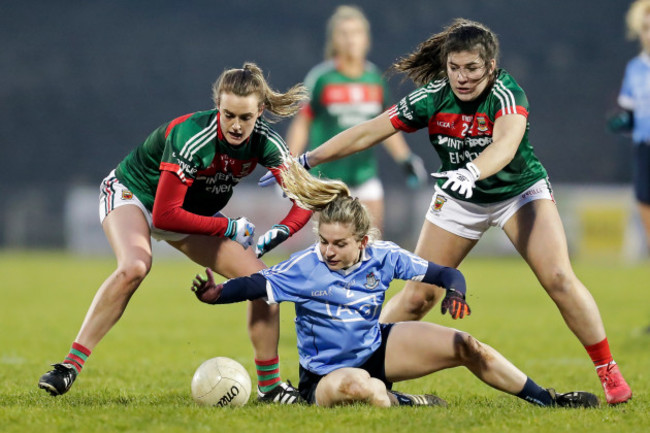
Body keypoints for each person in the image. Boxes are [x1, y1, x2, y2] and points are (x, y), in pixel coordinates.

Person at [266, 19, 633, 405]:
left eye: (472, 68)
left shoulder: (507, 93)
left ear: (491, 66)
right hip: (459, 199)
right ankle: (367, 369)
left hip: (517, 194)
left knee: (558, 277)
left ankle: (608, 370)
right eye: (454, 68)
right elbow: (370, 130)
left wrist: (472, 170)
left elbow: (506, 145)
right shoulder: (433, 96)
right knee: (416, 298)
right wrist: (307, 158)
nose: (462, 77)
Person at [191, 163, 599, 408]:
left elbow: (444, 274)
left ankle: (549, 400)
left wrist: (455, 291)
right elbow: (255, 285)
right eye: (323, 241)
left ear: (362, 242)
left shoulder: (383, 256)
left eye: (339, 244)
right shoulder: (305, 266)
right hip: (325, 374)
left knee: (467, 346)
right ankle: (404, 401)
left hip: (377, 347)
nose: (328, 251)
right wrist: (216, 295)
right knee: (362, 388)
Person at [38, 63, 312, 404]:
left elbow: (306, 198)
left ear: (260, 112)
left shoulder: (268, 144)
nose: (236, 126)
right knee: (135, 266)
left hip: (187, 213)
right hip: (135, 196)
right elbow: (165, 215)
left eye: (246, 118)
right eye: (228, 115)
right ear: (217, 108)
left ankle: (270, 388)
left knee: (263, 284)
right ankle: (69, 366)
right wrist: (228, 226)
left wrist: (282, 231)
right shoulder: (192, 136)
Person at [265, 5, 427, 233]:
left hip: (365, 177)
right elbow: (302, 123)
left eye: (356, 33)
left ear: (366, 39)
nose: (351, 39)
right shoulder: (322, 78)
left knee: (371, 245)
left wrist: (406, 159)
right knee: (332, 248)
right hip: (326, 179)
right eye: (344, 33)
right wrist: (288, 166)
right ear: (334, 40)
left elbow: (386, 126)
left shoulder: (374, 79)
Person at [608, 0, 650, 254]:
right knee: (644, 202)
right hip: (644, 147)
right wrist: (622, 121)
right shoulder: (635, 69)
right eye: (646, 27)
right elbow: (629, 111)